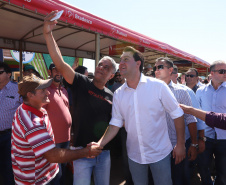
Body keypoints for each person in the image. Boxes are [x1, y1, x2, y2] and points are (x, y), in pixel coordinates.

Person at [43, 11, 117, 185]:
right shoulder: (81, 82)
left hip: (103, 153)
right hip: (80, 152)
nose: (101, 68)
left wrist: (100, 145)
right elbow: (60, 64)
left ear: (111, 75)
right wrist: (48, 33)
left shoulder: (112, 96)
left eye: (106, 68)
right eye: (100, 64)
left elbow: (114, 124)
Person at [95, 46, 186, 185]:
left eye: (126, 59)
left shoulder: (158, 86)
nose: (121, 63)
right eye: (120, 60)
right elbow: (115, 124)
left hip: (160, 154)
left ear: (138, 64)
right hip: (135, 156)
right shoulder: (119, 94)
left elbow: (177, 114)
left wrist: (180, 144)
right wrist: (99, 144)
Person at [11, 74, 102, 185]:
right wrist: (86, 152)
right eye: (43, 90)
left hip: (44, 174)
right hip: (37, 180)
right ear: (30, 95)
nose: (48, 92)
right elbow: (52, 155)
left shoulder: (29, 108)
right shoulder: (32, 123)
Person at [154, 57, 198, 185]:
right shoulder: (149, 91)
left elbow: (190, 118)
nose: (157, 70)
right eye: (155, 67)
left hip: (176, 146)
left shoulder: (182, 92)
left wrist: (194, 144)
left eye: (160, 67)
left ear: (170, 70)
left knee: (178, 179)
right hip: (156, 147)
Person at [196, 60, 226, 185]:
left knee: (223, 172)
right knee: (203, 168)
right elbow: (197, 115)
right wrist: (200, 137)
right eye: (222, 71)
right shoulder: (200, 91)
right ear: (212, 73)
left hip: (224, 139)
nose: (225, 74)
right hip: (205, 138)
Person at [44, 63, 72, 185]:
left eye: (60, 71)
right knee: (55, 174)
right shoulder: (44, 90)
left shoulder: (64, 90)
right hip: (52, 141)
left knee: (63, 171)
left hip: (66, 139)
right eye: (55, 71)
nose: (58, 73)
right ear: (49, 72)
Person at [0, 62, 21, 185]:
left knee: (8, 167)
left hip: (10, 136)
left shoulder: (18, 89)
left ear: (9, 74)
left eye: (0, 72)